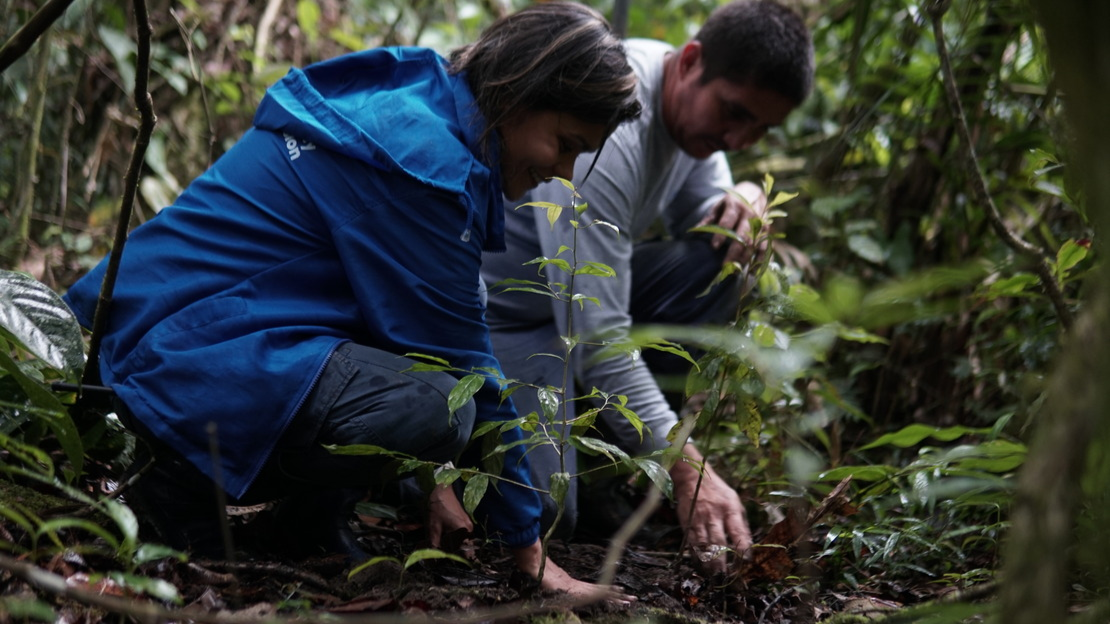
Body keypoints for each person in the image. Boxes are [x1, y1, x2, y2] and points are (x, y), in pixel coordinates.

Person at [62, 1, 641, 600]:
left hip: (177, 333)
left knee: (421, 384)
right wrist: (531, 552)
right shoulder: (422, 167)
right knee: (443, 406)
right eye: (565, 143)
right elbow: (469, 369)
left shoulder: (413, 93)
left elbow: (400, 315)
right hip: (176, 352)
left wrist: (439, 481)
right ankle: (180, 485)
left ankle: (304, 523)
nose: (565, 172)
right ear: (521, 96)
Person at [480, 0, 814, 574]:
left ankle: (615, 469)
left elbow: (708, 222)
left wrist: (747, 202)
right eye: (733, 112)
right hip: (506, 319)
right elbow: (596, 338)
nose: (739, 138)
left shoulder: (695, 129)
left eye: (760, 128)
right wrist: (691, 470)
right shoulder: (610, 128)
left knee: (718, 260)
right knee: (541, 510)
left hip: (570, 320)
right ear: (689, 62)